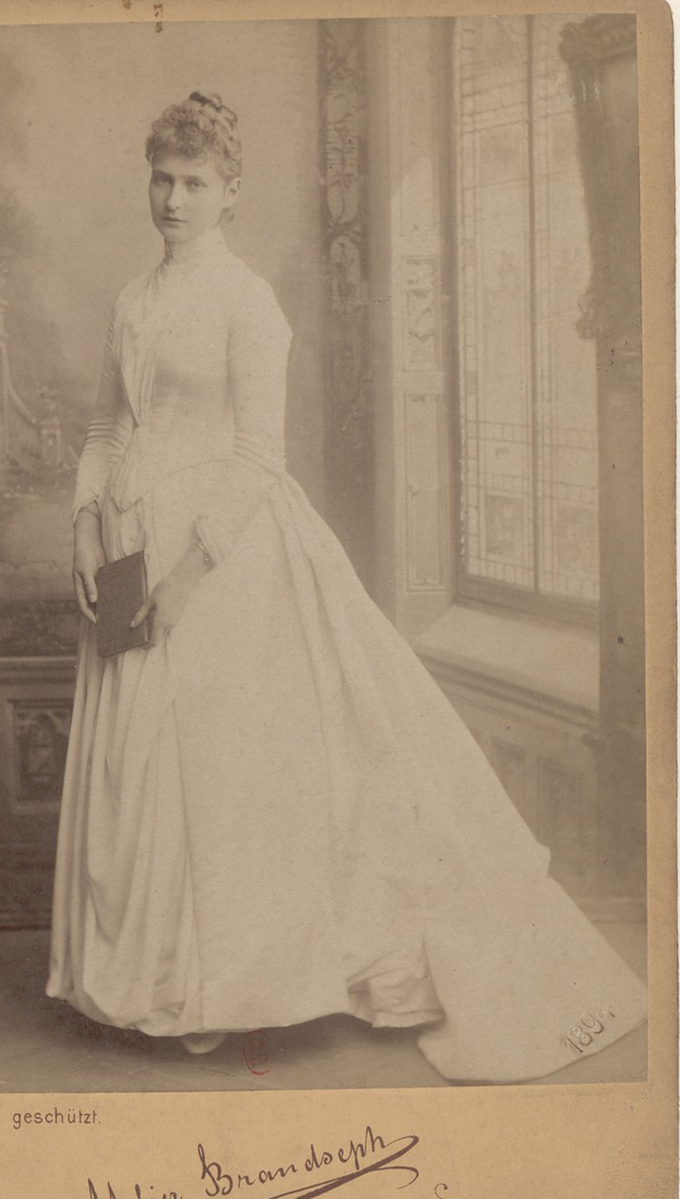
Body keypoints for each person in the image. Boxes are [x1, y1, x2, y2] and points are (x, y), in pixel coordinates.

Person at [46, 90, 647, 1082]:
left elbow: (256, 456)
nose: (174, 199)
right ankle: (151, 983)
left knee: (231, 775)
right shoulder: (132, 301)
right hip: (124, 551)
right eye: (162, 179)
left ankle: (231, 988)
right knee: (144, 768)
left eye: (195, 182)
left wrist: (189, 574)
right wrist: (81, 521)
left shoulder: (247, 303)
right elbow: (109, 429)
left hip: (226, 563)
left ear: (230, 193)